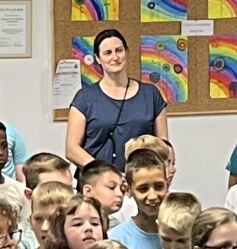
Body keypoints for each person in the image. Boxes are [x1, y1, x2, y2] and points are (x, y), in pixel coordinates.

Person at [65, 28, 168, 172]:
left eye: (119, 50)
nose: (115, 57)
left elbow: (163, 145)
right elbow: (71, 149)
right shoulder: (84, 98)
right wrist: (107, 173)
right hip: (97, 179)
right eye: (108, 53)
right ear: (98, 58)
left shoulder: (151, 94)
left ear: (127, 52)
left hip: (140, 178)